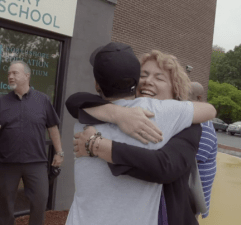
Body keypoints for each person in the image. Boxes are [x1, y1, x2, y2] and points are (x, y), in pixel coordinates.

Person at [65, 43, 216, 225]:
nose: (147, 81)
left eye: (159, 78)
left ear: (175, 88)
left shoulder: (190, 126)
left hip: (169, 217)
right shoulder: (113, 113)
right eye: (143, 75)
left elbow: (165, 167)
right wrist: (119, 114)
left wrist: (98, 145)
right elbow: (75, 101)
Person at [0, 60, 63, 225]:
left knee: (40, 202)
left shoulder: (42, 100)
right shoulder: (1, 103)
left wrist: (59, 152)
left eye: (14, 73)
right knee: (5, 205)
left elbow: (53, 127)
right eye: (9, 74)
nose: (10, 77)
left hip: (36, 163)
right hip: (8, 164)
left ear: (27, 76)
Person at [189, 82, 218, 219]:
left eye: (188, 97)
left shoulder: (204, 125)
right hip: (194, 184)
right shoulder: (196, 119)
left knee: (190, 216)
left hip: (197, 186)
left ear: (199, 98)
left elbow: (193, 159)